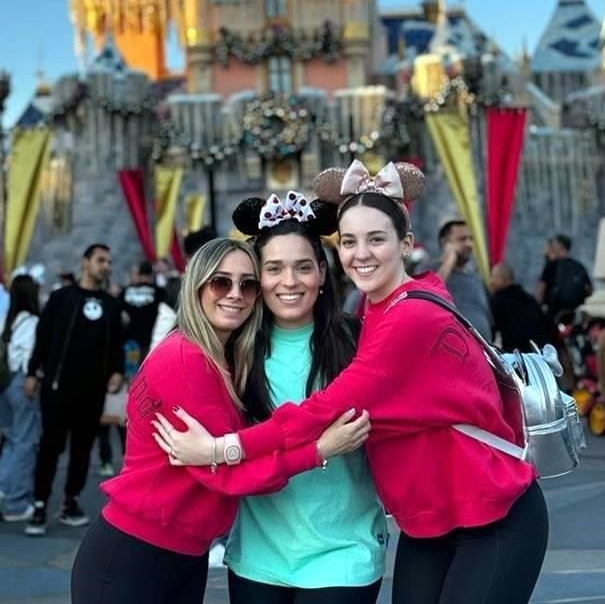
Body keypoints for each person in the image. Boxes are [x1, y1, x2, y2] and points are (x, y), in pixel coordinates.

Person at [157, 160, 549, 604]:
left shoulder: (401, 319)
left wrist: (218, 449)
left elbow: (320, 412)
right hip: (427, 521)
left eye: (376, 239)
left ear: (405, 244)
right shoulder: (373, 311)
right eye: (349, 241)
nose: (361, 253)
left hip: (490, 508)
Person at [70, 238, 369, 604]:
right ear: (197, 285)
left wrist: (217, 450)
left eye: (248, 284)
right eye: (221, 282)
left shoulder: (221, 359)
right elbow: (228, 475)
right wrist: (319, 450)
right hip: (136, 555)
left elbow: (239, 451)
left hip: (180, 554)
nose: (235, 294)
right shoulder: (186, 359)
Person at [220, 191, 386, 603]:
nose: (289, 282)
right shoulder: (233, 348)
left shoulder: (361, 343)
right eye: (274, 268)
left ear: (323, 273)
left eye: (303, 268)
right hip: (259, 553)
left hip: (344, 552)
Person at [24, 244, 124, 536]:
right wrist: (33, 372)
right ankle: (40, 503)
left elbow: (117, 341)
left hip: (92, 392)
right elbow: (42, 338)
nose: (105, 265)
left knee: (82, 450)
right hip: (57, 388)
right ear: (85, 263)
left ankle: (71, 501)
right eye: (100, 260)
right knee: (50, 448)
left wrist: (117, 370)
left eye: (108, 261)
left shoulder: (110, 304)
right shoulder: (61, 298)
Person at [0, 275, 41, 521]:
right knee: (25, 441)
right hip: (22, 382)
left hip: (5, 383)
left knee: (13, 439)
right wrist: (32, 377)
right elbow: (28, 353)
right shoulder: (33, 321)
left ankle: (4, 487)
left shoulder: (8, 318)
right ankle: (17, 502)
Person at [437, 219, 493, 341]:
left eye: (470, 239)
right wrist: (449, 261)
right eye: (462, 239)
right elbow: (430, 291)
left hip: (484, 350)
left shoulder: (475, 275)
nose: (469, 244)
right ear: (445, 243)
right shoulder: (429, 269)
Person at [489, 262, 554, 352]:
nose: (491, 281)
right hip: (538, 350)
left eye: (493, 277)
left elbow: (491, 328)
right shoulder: (529, 298)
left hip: (516, 353)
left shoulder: (498, 300)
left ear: (503, 279)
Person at [536, 234, 593, 321]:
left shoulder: (552, 265)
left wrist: (538, 307)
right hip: (575, 313)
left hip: (554, 313)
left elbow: (541, 288)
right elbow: (589, 289)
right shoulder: (579, 266)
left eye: (554, 245)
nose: (552, 248)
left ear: (560, 246)